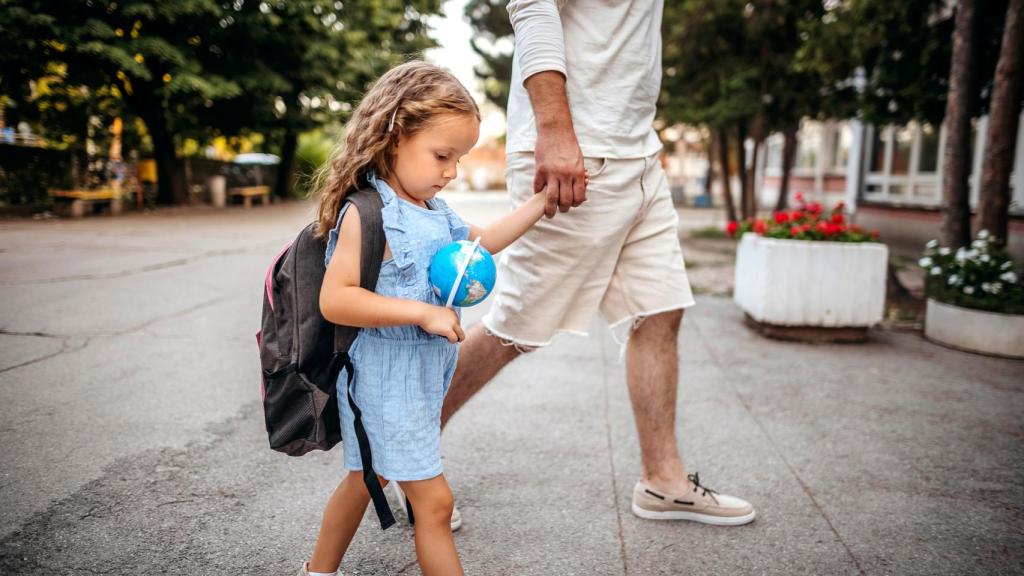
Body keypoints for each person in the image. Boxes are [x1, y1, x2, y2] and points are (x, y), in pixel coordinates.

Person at [441, 0, 756, 526]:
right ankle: (401, 455)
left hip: (637, 154)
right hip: (575, 155)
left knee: (661, 307)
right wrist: (556, 130)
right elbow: (532, 5)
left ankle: (664, 481)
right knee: (516, 326)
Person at [302, 61, 558, 576]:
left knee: (365, 478)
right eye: (442, 155)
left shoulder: (434, 212)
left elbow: (481, 242)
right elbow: (337, 300)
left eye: (458, 159)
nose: (451, 172)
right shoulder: (368, 213)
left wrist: (543, 202)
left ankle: (316, 572)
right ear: (395, 136)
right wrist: (421, 311)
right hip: (381, 380)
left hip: (417, 382)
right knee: (435, 504)